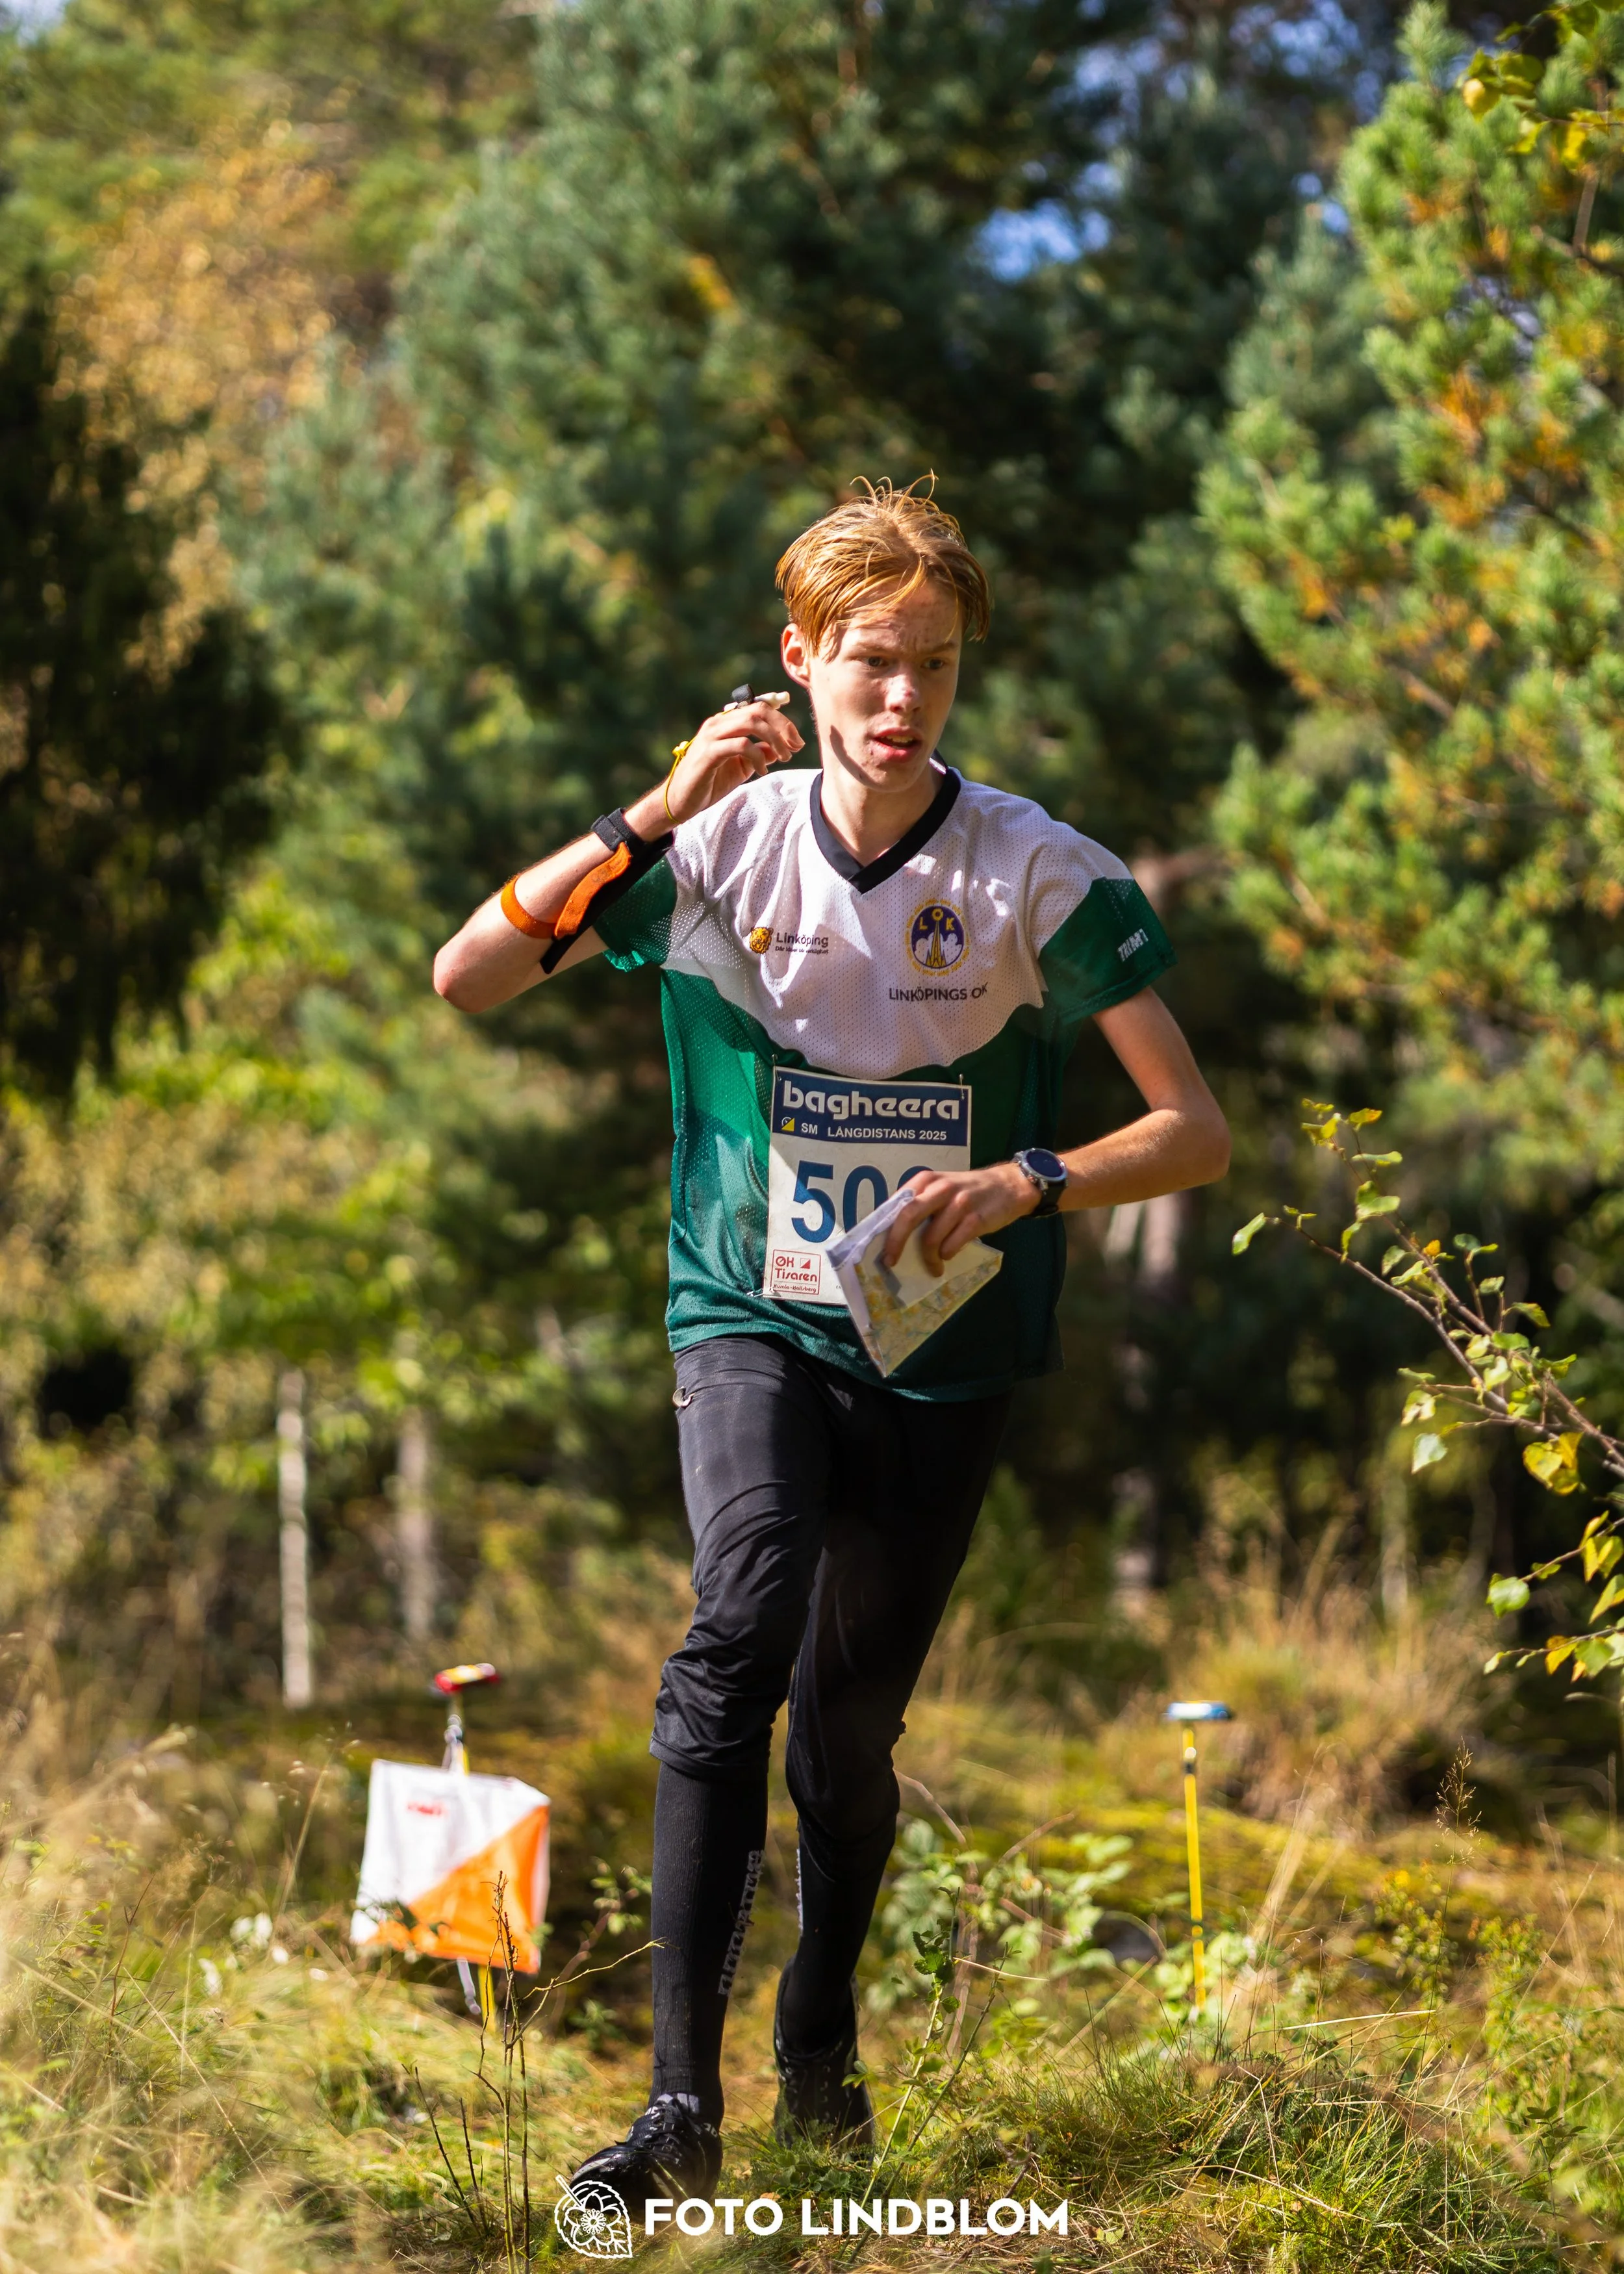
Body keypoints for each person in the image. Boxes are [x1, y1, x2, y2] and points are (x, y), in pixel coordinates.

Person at [432, 481, 1230, 2205]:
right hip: (744, 1307)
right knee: (737, 1622)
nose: (900, 699)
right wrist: (652, 808)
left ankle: (816, 2040)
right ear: (796, 662)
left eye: (932, 667)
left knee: (844, 1737)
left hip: (939, 1344)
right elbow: (467, 977)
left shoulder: (1030, 867)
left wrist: (1026, 1177)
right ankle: (674, 2110)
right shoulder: (715, 844)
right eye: (869, 661)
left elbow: (1192, 1134)